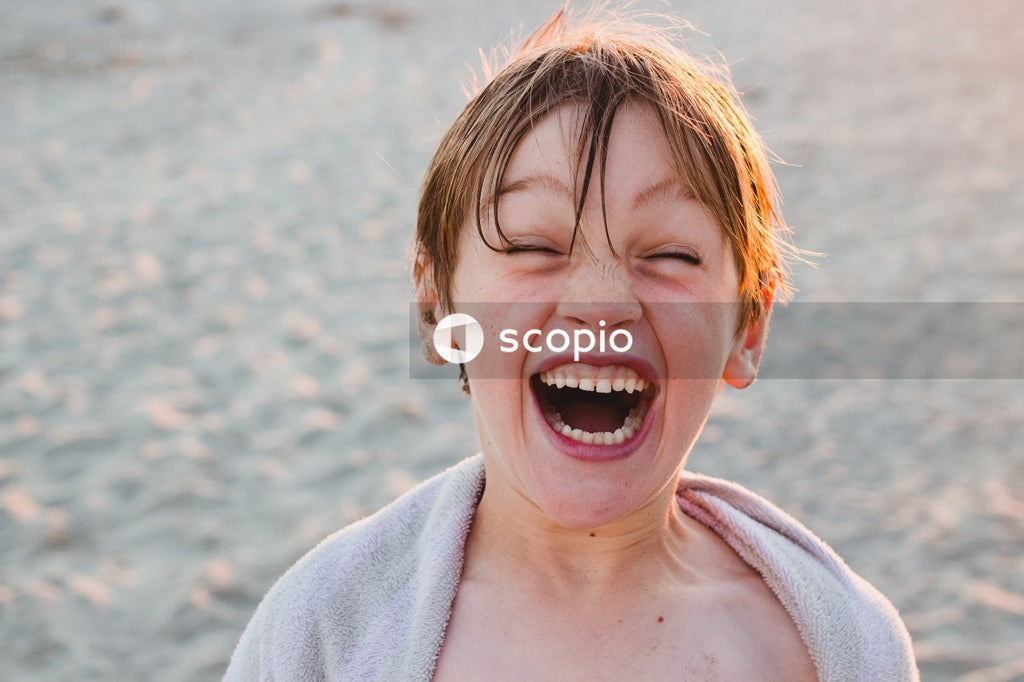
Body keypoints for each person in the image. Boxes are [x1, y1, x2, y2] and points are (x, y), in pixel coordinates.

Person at [225, 6, 919, 681]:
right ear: (437, 306)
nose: (603, 304)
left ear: (749, 327)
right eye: (534, 245)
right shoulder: (323, 633)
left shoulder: (830, 646)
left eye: (671, 255)